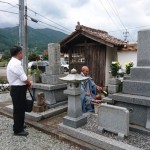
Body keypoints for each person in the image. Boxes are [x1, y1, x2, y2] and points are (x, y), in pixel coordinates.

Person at [7, 45, 32, 136]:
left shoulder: (14, 62)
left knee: (20, 108)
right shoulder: (15, 64)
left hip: (18, 89)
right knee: (18, 109)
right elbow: (23, 78)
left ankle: (20, 125)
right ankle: (17, 130)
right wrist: (29, 83)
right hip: (18, 89)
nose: (22, 55)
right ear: (19, 53)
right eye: (21, 53)